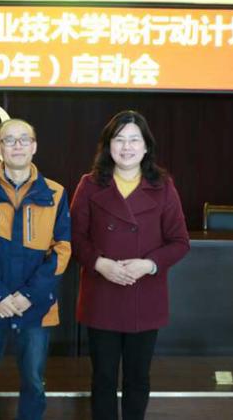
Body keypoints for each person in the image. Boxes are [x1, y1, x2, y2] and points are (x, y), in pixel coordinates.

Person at [70, 110, 190, 420]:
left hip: (144, 294)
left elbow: (180, 241)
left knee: (138, 378)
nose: (126, 147)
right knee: (103, 378)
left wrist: (149, 265)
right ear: (108, 145)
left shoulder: (163, 186)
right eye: (119, 139)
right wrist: (99, 263)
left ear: (146, 146)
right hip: (102, 293)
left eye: (134, 140)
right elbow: (75, 238)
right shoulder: (89, 184)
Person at [0, 118, 71, 420]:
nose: (17, 145)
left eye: (24, 139)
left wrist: (29, 295)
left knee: (34, 384)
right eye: (9, 140)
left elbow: (62, 249)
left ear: (34, 146)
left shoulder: (56, 193)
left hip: (36, 306)